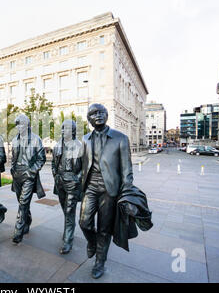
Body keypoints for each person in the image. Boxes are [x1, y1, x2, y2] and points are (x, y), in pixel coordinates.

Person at [79, 103, 135, 279]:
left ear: (107, 115)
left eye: (101, 112)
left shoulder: (121, 138)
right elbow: (82, 165)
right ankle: (92, 243)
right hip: (90, 187)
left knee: (104, 228)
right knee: (84, 222)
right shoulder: (85, 139)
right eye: (93, 114)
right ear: (89, 119)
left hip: (110, 189)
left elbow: (127, 170)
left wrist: (126, 193)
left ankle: (100, 261)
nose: (98, 115)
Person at [11, 114, 46, 244]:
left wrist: (31, 172)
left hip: (29, 174)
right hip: (17, 175)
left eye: (20, 124)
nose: (18, 127)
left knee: (24, 202)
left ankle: (18, 231)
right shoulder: (15, 140)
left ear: (27, 124)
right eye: (17, 124)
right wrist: (13, 170)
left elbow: (41, 159)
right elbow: (13, 157)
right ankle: (27, 220)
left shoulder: (36, 140)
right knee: (22, 202)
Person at [52, 120, 83, 254]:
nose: (64, 131)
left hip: (73, 182)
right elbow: (54, 163)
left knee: (70, 210)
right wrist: (55, 175)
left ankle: (68, 240)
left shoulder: (80, 146)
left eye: (67, 128)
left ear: (74, 131)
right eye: (63, 128)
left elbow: (85, 167)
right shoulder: (58, 145)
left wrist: (78, 179)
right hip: (60, 181)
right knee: (65, 210)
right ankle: (70, 228)